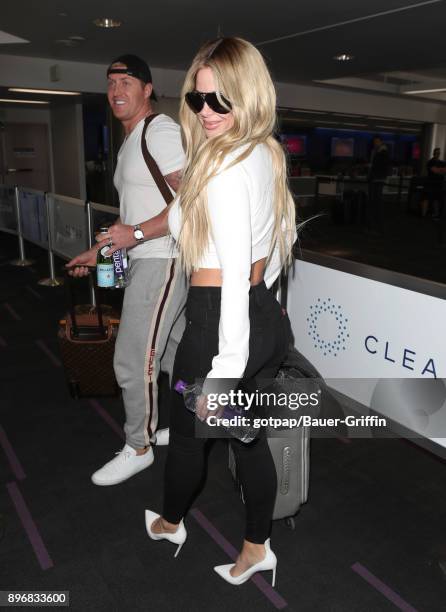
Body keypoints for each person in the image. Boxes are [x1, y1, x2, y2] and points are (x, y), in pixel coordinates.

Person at [143, 37, 296, 586]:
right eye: (197, 100)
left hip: (217, 326)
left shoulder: (229, 166)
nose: (206, 112)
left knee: (188, 437)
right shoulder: (262, 154)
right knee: (245, 438)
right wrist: (262, 308)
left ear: (246, 96)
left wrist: (224, 371)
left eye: (219, 101)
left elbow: (232, 272)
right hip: (256, 317)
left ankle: (170, 523)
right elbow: (277, 244)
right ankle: (258, 546)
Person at [66, 55, 187, 486]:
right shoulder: (130, 141)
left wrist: (135, 235)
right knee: (177, 355)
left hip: (164, 258)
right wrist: (94, 251)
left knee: (133, 358)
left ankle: (139, 446)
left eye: (127, 81)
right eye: (111, 82)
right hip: (145, 256)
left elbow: (191, 200)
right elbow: (131, 217)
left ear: (147, 89)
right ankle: (202, 419)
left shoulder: (161, 131)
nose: (117, 90)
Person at [367, 135, 390, 232]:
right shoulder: (377, 152)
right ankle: (377, 225)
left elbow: (379, 165)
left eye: (377, 141)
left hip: (377, 179)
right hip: (376, 179)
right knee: (375, 202)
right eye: (374, 141)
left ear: (381, 142)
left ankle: (376, 226)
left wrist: (371, 167)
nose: (375, 143)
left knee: (375, 203)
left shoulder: (382, 152)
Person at [422, 147, 445, 218]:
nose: (438, 154)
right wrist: (440, 170)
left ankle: (435, 214)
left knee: (436, 199)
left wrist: (439, 170)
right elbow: (436, 171)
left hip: (438, 183)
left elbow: (443, 171)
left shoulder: (441, 162)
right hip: (430, 182)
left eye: (439, 153)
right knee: (426, 198)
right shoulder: (430, 162)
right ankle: (424, 214)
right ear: (434, 153)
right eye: (436, 152)